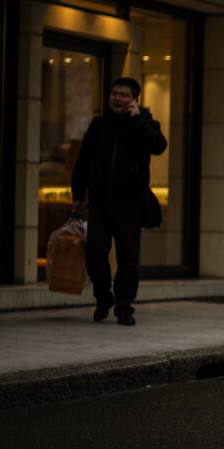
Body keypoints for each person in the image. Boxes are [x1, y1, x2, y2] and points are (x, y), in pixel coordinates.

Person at [71, 77, 167, 326]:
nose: (117, 98)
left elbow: (159, 146)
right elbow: (83, 162)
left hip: (130, 204)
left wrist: (138, 120)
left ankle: (124, 307)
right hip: (100, 203)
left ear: (134, 99)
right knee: (95, 252)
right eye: (115, 93)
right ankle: (104, 298)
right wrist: (78, 196)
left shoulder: (144, 124)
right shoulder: (98, 125)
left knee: (128, 257)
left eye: (124, 95)